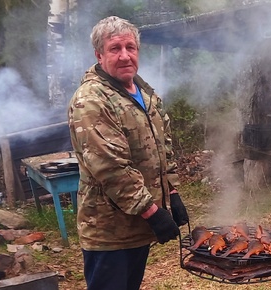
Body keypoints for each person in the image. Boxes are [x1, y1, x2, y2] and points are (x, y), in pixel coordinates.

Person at [68, 16, 189, 290]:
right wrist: (153, 212)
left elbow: (163, 148)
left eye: (130, 47)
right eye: (115, 49)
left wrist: (172, 193)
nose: (125, 56)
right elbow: (111, 168)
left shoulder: (144, 93)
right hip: (109, 230)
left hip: (137, 228)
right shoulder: (91, 100)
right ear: (99, 55)